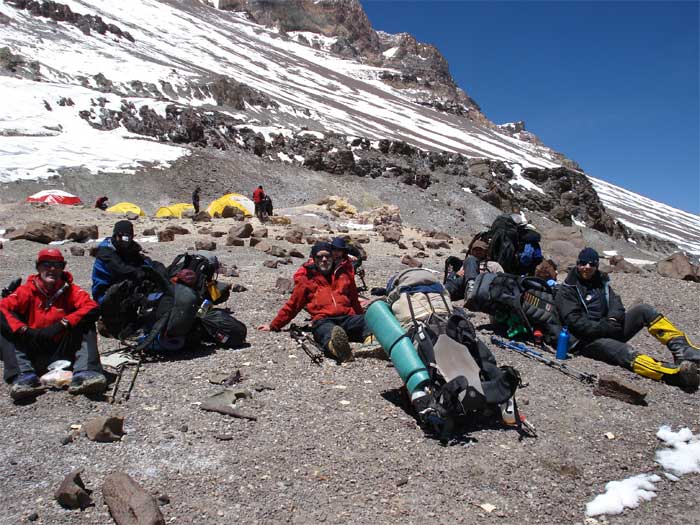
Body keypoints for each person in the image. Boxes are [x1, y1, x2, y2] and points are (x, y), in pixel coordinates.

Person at [555, 247, 700, 390]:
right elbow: (575, 323)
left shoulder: (601, 282)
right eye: (583, 263)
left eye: (592, 264)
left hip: (609, 328)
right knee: (625, 352)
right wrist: (606, 327)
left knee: (643, 310)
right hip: (587, 341)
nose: (587, 267)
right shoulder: (568, 289)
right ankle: (674, 375)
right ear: (577, 263)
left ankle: (684, 351)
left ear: (596, 266)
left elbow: (616, 304)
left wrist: (613, 319)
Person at [0, 249, 106, 400]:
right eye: (46, 264)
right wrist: (25, 330)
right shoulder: (26, 291)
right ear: (38, 267)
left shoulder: (71, 290)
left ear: (63, 268)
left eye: (57, 265)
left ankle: (86, 371)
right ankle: (23, 375)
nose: (52, 269)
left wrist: (63, 324)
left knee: (85, 322)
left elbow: (92, 307)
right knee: (6, 325)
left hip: (63, 351)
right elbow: (3, 308)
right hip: (33, 348)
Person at [258, 241, 369, 362]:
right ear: (314, 259)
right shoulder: (306, 280)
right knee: (326, 332)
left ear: (332, 257)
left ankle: (372, 344)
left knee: (368, 323)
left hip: (347, 317)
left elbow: (354, 300)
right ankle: (338, 349)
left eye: (327, 256)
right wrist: (274, 325)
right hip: (323, 320)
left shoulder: (345, 275)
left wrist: (360, 316)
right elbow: (293, 305)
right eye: (320, 257)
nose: (324, 259)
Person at [92, 220, 152, 304]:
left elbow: (142, 260)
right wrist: (141, 273)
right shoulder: (106, 251)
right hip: (103, 292)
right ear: (115, 235)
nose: (123, 240)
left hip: (119, 284)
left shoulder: (128, 247)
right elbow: (121, 269)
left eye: (126, 237)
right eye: (120, 236)